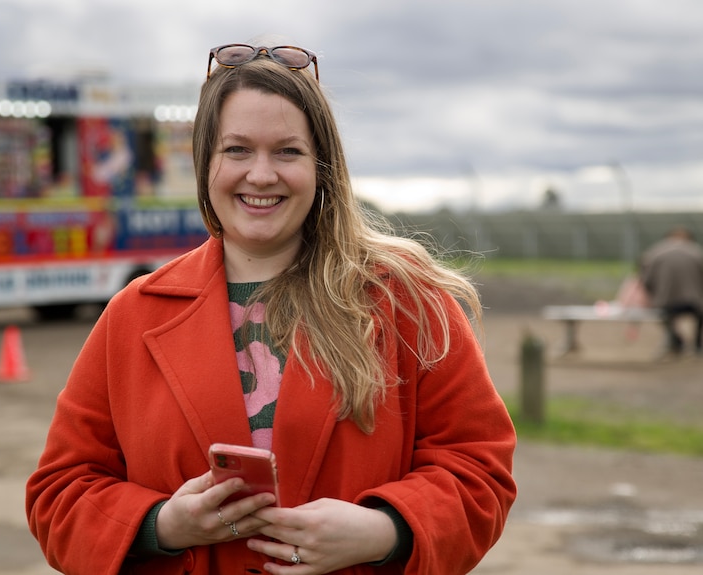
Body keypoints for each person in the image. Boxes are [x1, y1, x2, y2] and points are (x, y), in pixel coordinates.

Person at [26, 37, 517, 575]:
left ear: (322, 167)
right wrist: (163, 524)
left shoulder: (406, 301)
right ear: (204, 163)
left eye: (287, 151)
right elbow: (59, 494)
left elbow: (479, 471)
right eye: (237, 150)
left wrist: (383, 530)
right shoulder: (134, 314)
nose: (261, 174)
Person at [640, 226, 703, 356]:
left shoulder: (654, 252)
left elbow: (646, 280)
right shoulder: (697, 252)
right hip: (696, 301)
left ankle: (676, 342)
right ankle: (697, 346)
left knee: (665, 317)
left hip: (666, 301)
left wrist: (654, 294)